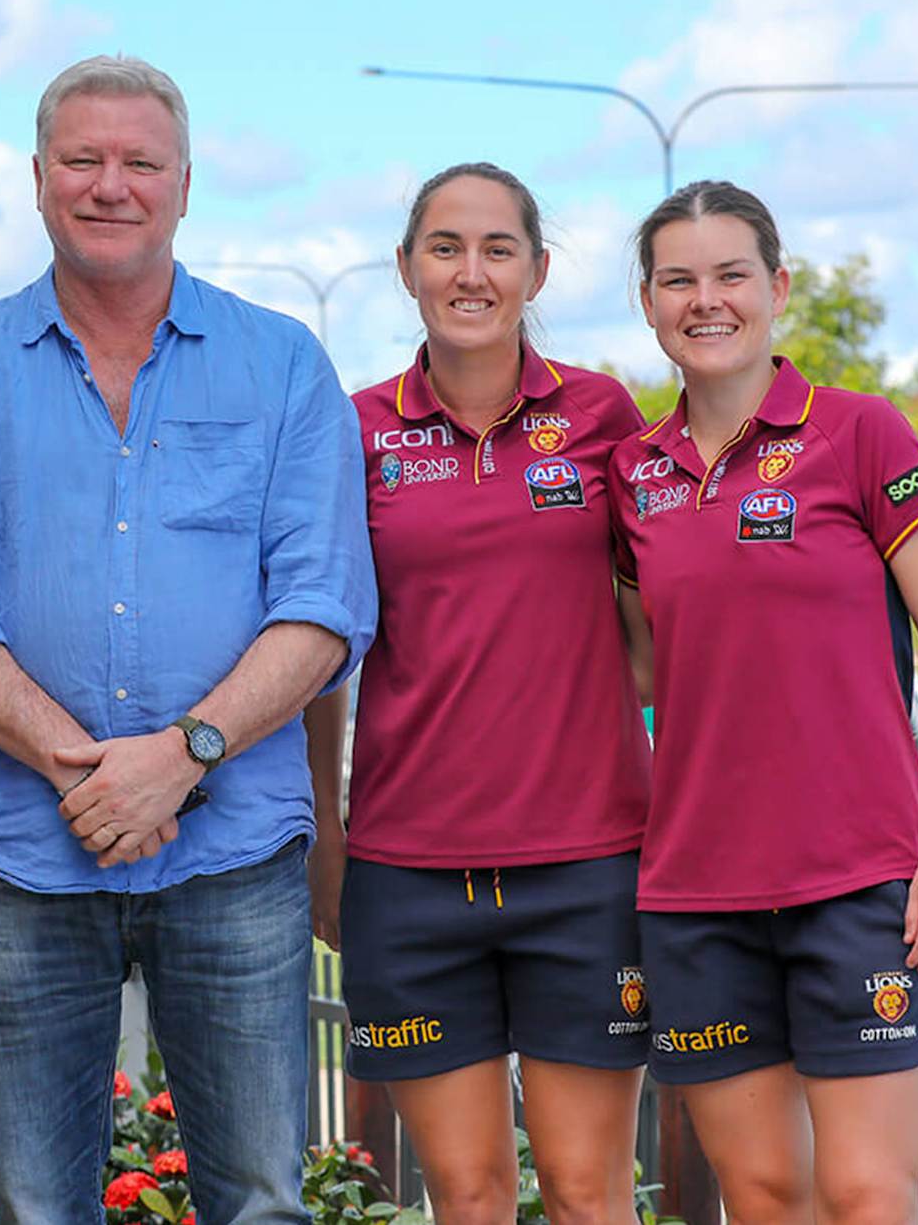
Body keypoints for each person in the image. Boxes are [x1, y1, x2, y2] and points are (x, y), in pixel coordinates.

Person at [0, 54, 377, 1223]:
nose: (112, 184)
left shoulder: (282, 363)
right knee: (36, 1203)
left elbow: (322, 605)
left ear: (185, 185)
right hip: (21, 853)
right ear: (38, 179)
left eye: (139, 162)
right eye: (83, 160)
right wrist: (82, 766)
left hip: (234, 850)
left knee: (258, 1200)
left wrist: (181, 754)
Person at [609, 180, 918, 1223]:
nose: (706, 299)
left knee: (865, 1197)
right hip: (696, 896)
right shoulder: (631, 476)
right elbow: (647, 669)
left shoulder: (861, 434)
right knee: (764, 1195)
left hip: (862, 881)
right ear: (646, 304)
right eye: (677, 279)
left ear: (775, 287)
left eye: (730, 274)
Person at [305, 163, 655, 1223]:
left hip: (586, 867)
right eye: (445, 247)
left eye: (497, 249)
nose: (470, 272)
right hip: (408, 875)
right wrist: (328, 831)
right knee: (465, 1193)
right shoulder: (351, 430)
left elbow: (655, 634)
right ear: (404, 267)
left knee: (589, 1191)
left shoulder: (599, 414)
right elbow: (322, 655)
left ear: (536, 270)